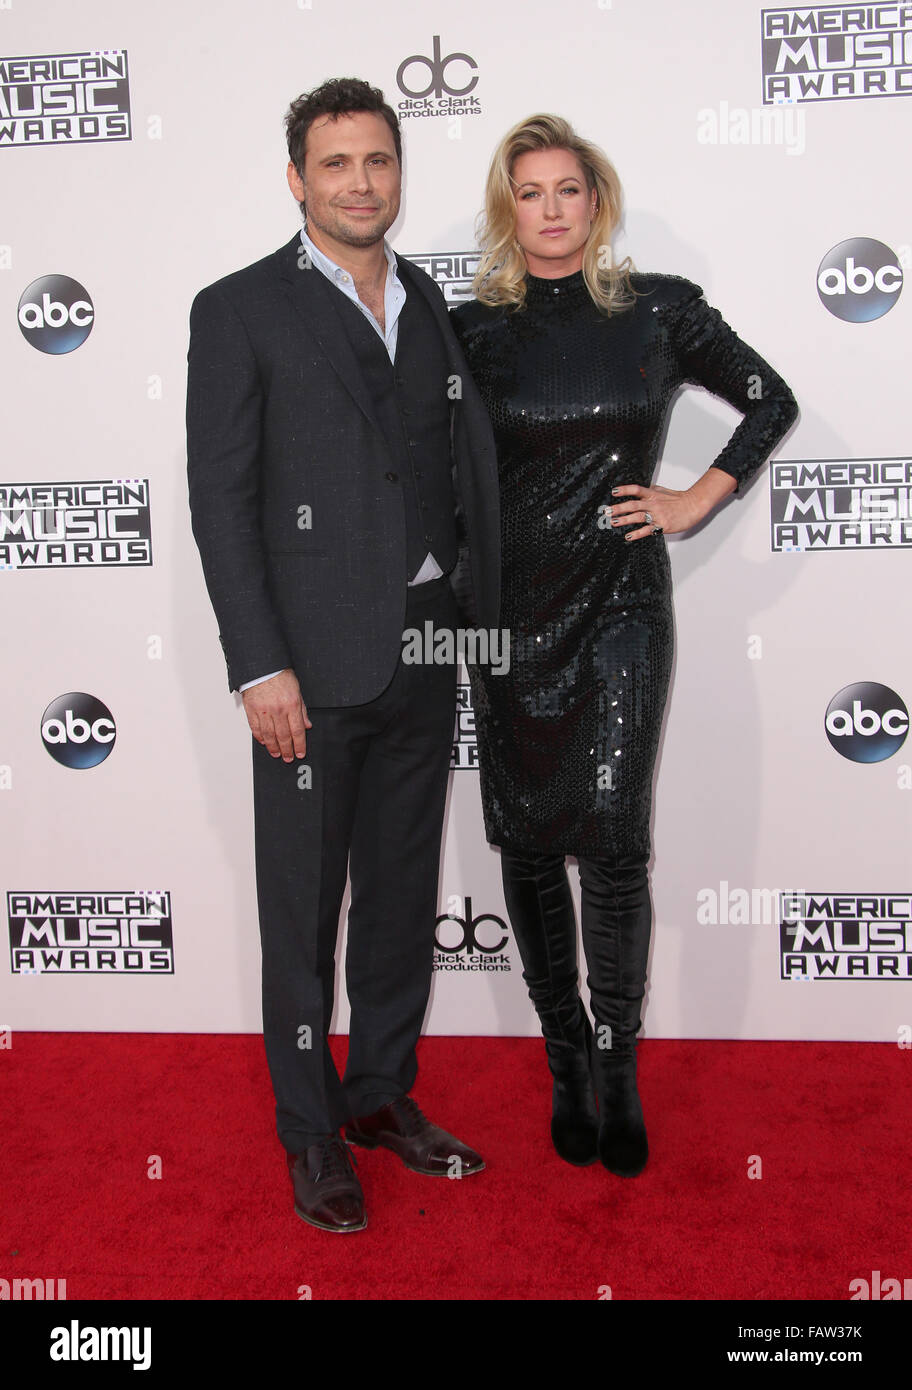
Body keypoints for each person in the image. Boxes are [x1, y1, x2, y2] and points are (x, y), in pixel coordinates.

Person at [450, 114, 798, 1177]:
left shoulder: (660, 311)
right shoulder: (470, 332)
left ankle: (618, 1064)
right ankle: (563, 1061)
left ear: (596, 202)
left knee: (612, 839)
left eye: (571, 189)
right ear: (510, 210)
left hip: (621, 612)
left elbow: (768, 400)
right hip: (509, 617)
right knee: (523, 840)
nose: (553, 209)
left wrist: (699, 495)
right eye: (532, 192)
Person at [186, 78, 501, 1232]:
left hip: (424, 650)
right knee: (302, 912)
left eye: (378, 162)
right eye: (336, 165)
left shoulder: (426, 299)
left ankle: (381, 1098)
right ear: (297, 179)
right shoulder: (240, 309)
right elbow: (221, 498)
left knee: (400, 897)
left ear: (397, 174)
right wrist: (259, 664)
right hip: (306, 675)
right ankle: (311, 1131)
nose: (361, 183)